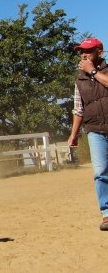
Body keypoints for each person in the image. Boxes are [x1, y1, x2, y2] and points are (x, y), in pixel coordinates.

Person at [68, 37, 108, 231]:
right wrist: (73, 134)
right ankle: (107, 214)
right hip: (95, 130)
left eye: (88, 50)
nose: (83, 54)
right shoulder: (80, 80)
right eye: (81, 51)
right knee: (100, 173)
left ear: (99, 52)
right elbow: (79, 109)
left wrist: (92, 71)